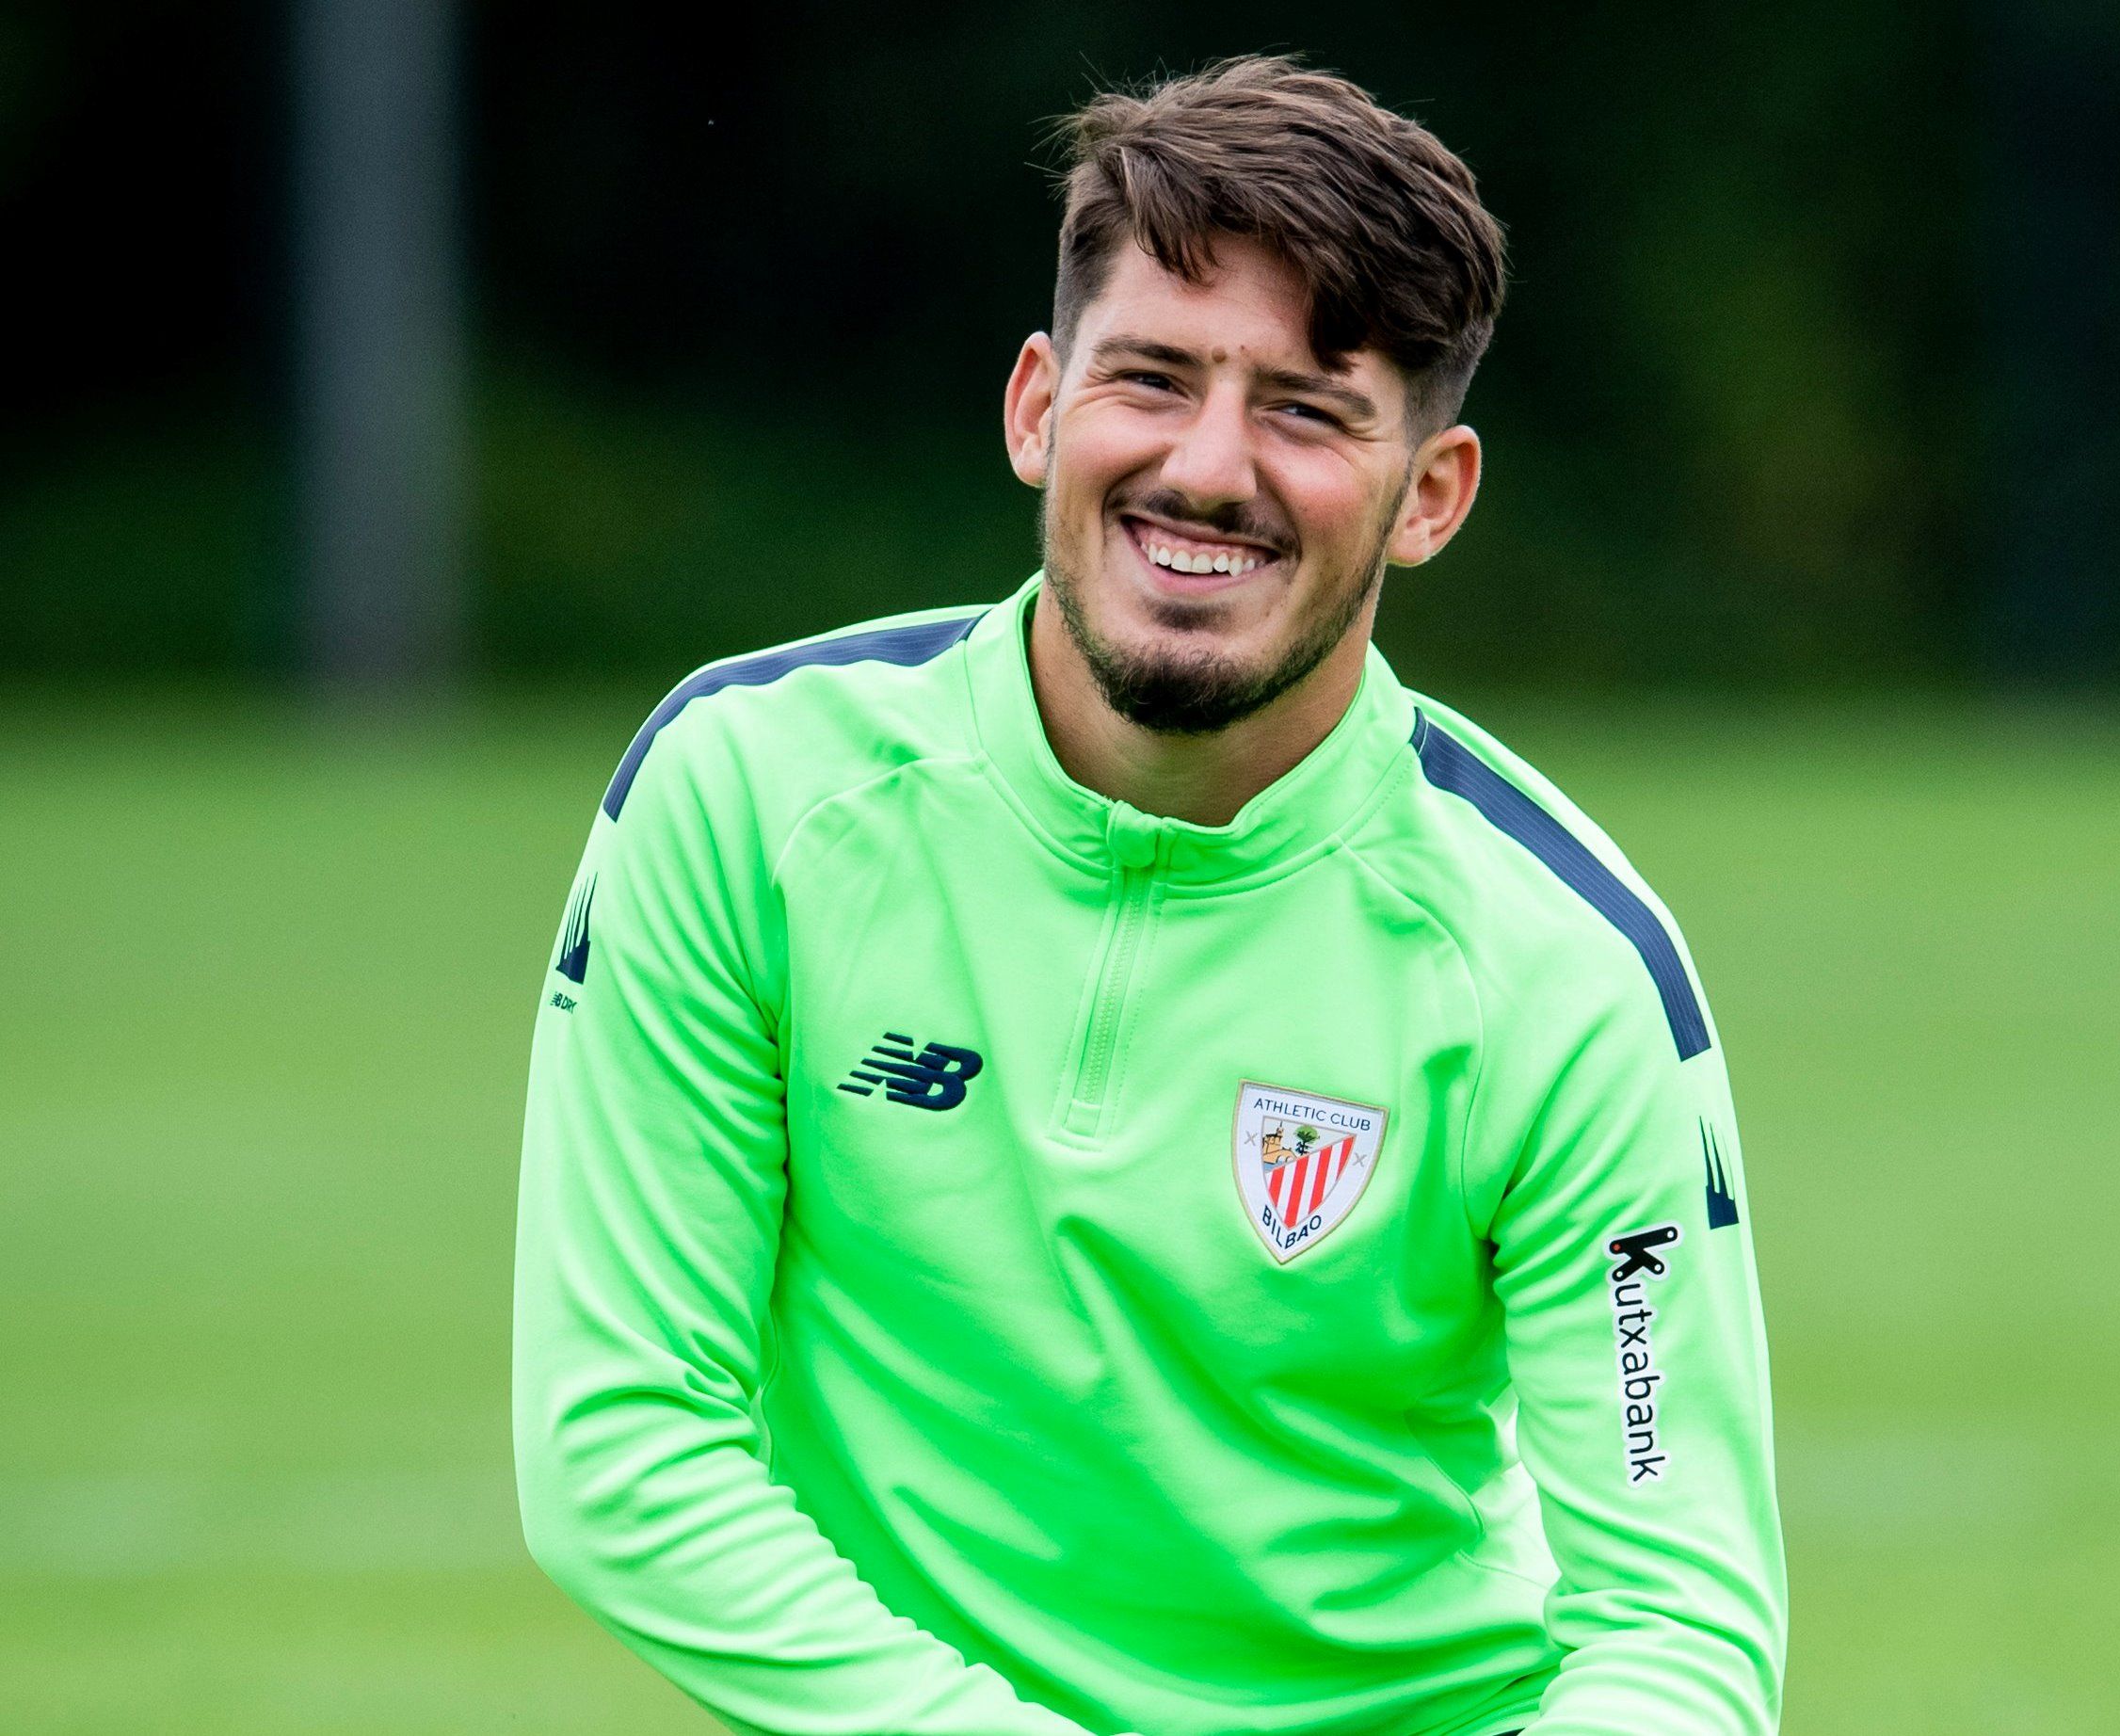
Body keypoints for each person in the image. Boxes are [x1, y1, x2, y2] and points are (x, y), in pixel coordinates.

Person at [514, 54, 1784, 1736]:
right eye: (1153, 379)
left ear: (1429, 497)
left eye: (1309, 409)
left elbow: (1679, 1628)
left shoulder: (1555, 966)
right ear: (1038, 403)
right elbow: (621, 1446)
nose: (1206, 466)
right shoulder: (753, 798)